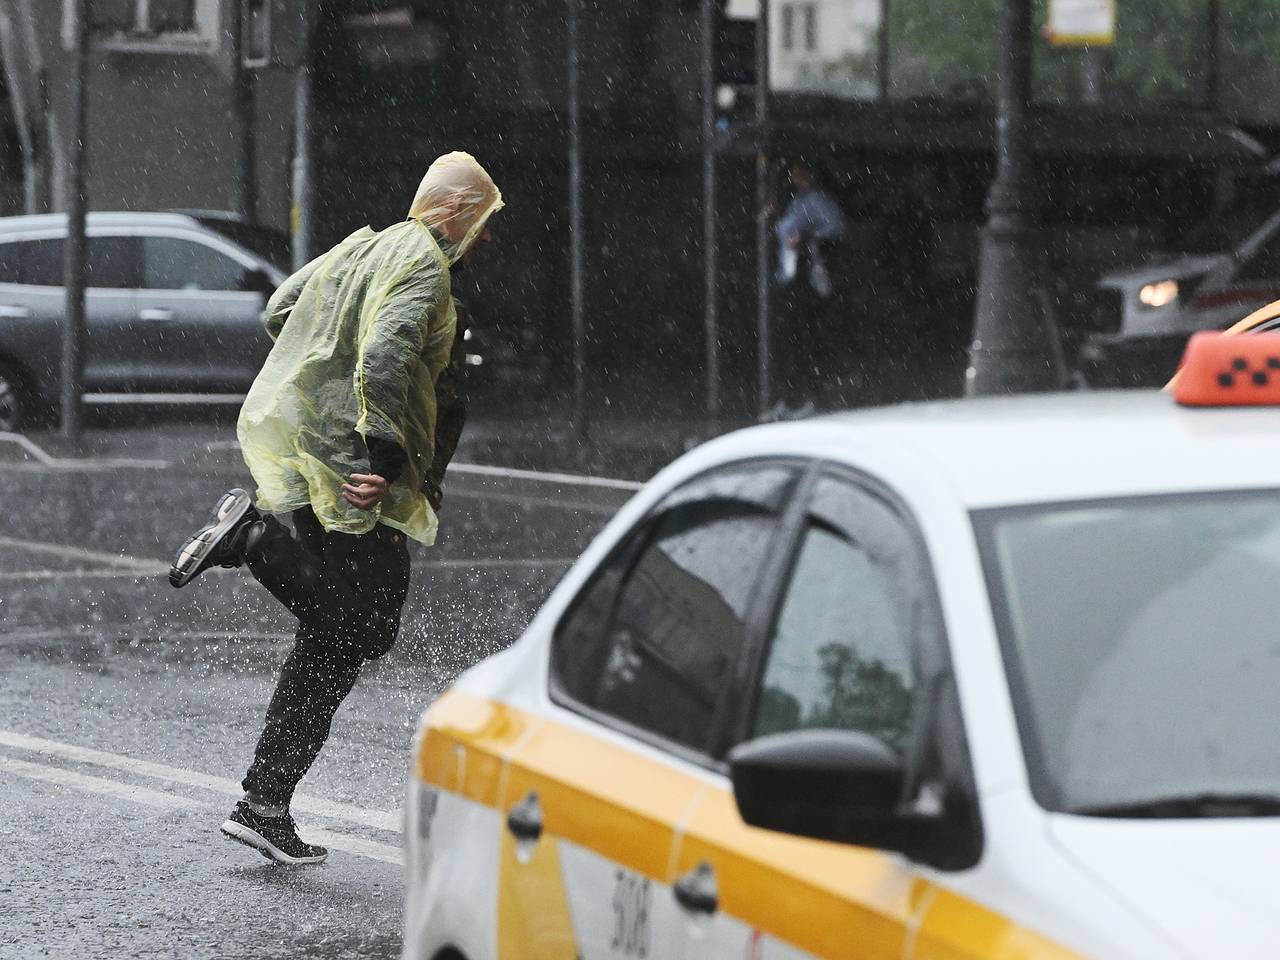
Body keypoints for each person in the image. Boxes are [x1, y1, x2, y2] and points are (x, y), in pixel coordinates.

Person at [167, 151, 503, 865]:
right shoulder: (423, 266)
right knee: (369, 627)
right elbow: (383, 353)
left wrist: (329, 365)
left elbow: (282, 309)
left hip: (325, 460)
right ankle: (254, 541)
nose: (487, 235)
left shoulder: (364, 247)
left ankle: (263, 804)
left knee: (331, 643)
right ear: (456, 213)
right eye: (482, 220)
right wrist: (382, 455)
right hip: (360, 475)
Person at [768, 161, 848, 418]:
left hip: (808, 282)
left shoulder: (816, 201)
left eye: (801, 174)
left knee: (807, 341)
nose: (796, 179)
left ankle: (811, 397)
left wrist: (805, 236)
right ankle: (793, 397)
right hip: (794, 279)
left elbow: (834, 228)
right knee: (795, 341)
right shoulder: (796, 202)